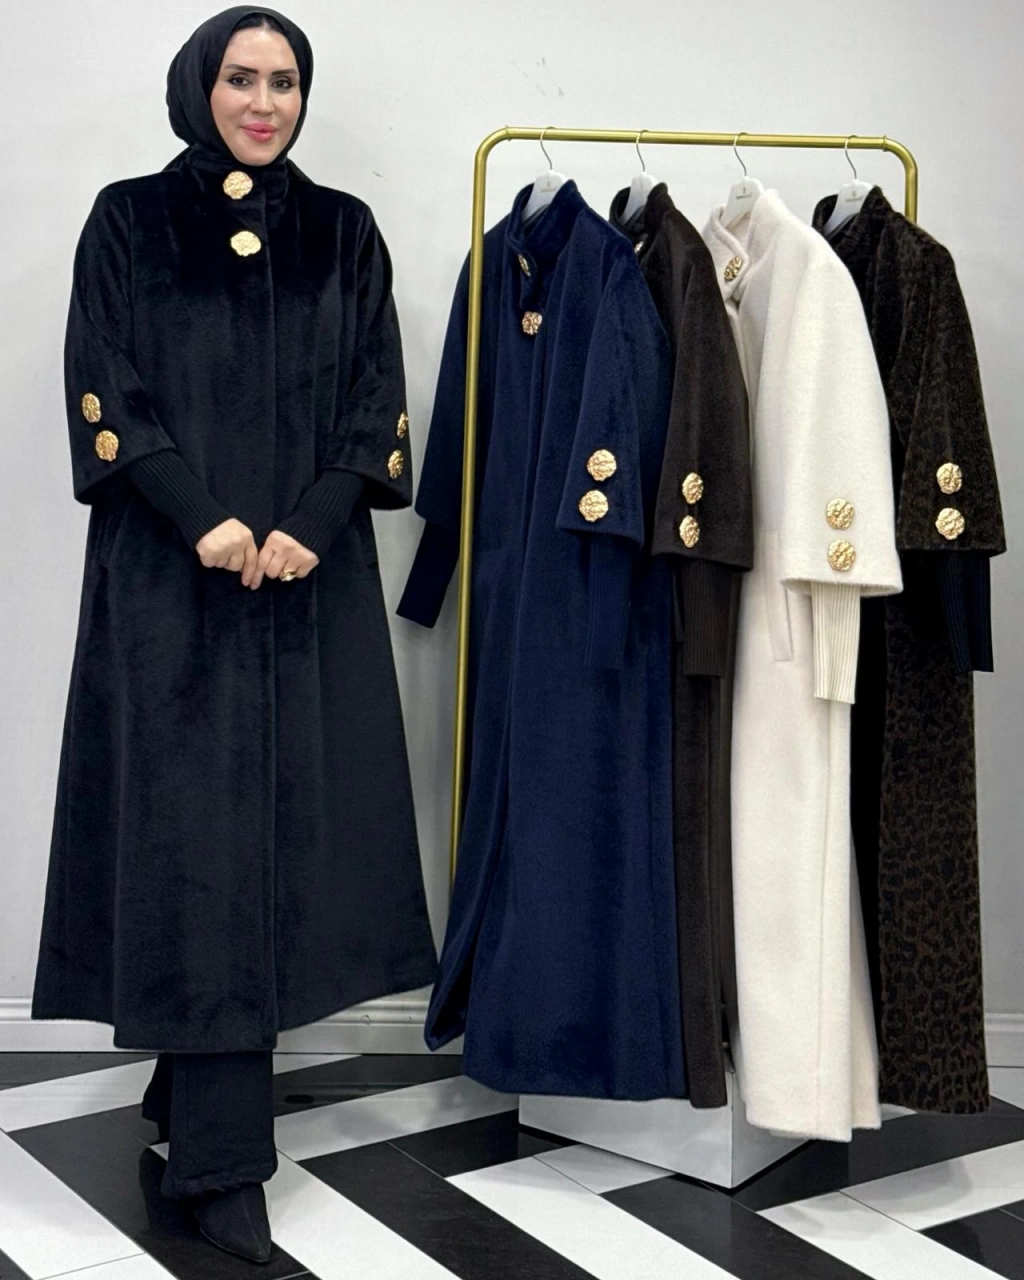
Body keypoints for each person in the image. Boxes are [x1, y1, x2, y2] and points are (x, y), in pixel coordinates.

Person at [32, 6, 437, 1263]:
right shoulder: (128, 220)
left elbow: (377, 391)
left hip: (306, 587)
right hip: (170, 586)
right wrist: (198, 515)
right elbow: (103, 382)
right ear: (198, 86)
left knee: (278, 845)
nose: (265, 103)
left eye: (285, 81)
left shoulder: (343, 230)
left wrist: (312, 518)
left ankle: (186, 1101)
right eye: (242, 78)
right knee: (194, 849)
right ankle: (220, 1162)